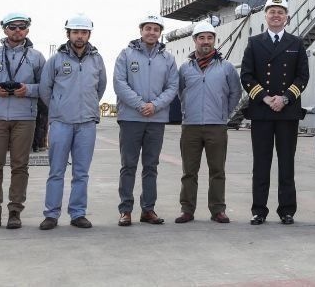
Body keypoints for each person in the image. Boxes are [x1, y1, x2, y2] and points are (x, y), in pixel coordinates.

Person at [0, 12, 46, 230]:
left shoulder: (36, 57)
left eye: (21, 27)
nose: (17, 31)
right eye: (12, 27)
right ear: (4, 30)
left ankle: (15, 211)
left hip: (24, 118)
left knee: (20, 166)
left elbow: (46, 86)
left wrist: (28, 90)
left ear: (27, 30)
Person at [241, 0, 309, 225]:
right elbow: (247, 76)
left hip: (287, 113)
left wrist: (286, 98)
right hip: (262, 112)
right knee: (261, 163)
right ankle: (259, 210)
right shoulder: (254, 42)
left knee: (286, 163)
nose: (276, 15)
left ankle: (287, 210)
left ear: (287, 18)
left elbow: (302, 77)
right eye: (272, 11)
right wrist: (266, 98)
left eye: (280, 12)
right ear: (266, 16)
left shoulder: (296, 43)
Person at [38, 14, 107, 230]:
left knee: (81, 172)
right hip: (61, 123)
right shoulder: (56, 60)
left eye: (84, 32)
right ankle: (51, 214)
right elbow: (44, 89)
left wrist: (88, 106)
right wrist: (58, 108)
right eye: (76, 32)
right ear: (68, 34)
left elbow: (101, 87)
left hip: (87, 123)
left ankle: (78, 213)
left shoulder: (97, 59)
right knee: (56, 171)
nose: (79, 36)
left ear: (89, 35)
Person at [114, 14, 179, 227]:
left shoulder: (168, 59)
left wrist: (155, 106)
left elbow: (172, 87)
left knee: (151, 166)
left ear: (160, 33)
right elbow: (120, 83)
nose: (151, 32)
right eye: (148, 28)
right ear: (141, 30)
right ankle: (125, 210)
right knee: (129, 165)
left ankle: (148, 209)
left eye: (156, 29)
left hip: (156, 120)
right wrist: (141, 104)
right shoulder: (126, 54)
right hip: (131, 118)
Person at [175, 21, 242, 224]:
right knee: (189, 171)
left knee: (217, 171)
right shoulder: (185, 68)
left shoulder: (227, 67)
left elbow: (235, 93)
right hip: (191, 127)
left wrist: (224, 114)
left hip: (217, 126)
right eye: (201, 38)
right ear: (195, 40)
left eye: (210, 38)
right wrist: (188, 111)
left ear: (214, 40)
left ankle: (217, 210)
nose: (206, 42)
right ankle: (187, 210)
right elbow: (180, 92)